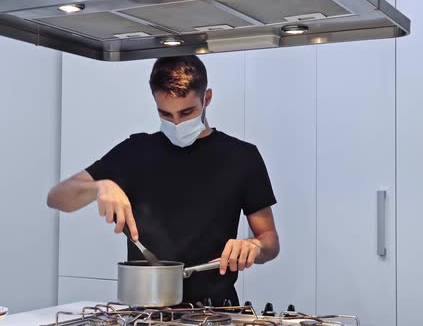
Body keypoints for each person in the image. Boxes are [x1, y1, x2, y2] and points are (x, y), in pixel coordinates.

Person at [47, 55, 280, 307]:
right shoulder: (135, 151)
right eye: (165, 114)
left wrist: (253, 246)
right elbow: (58, 197)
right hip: (144, 312)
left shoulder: (242, 157)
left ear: (207, 98)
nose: (177, 123)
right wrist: (99, 187)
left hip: (215, 312)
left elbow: (269, 240)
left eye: (186, 112)